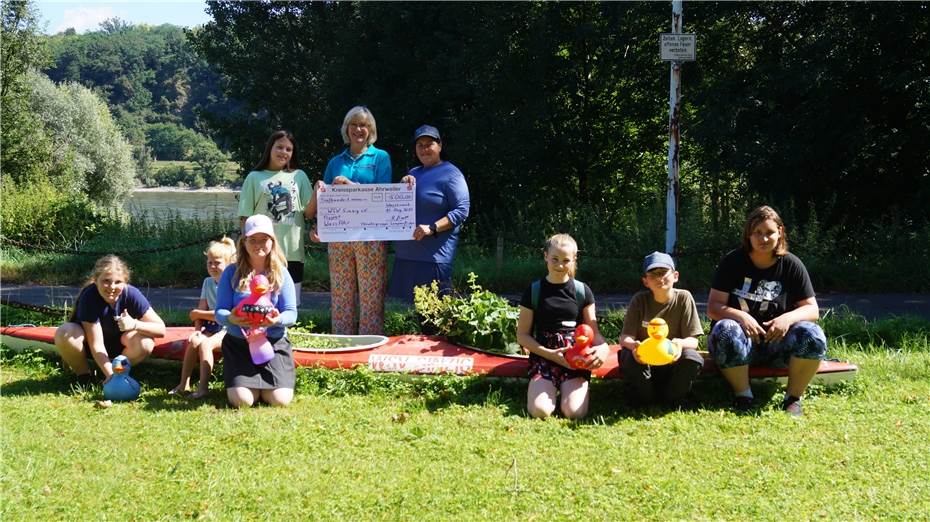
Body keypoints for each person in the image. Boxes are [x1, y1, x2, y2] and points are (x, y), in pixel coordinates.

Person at [707, 205, 827, 416]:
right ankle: (743, 396)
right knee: (726, 328)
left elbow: (812, 310)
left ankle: (793, 398)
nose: (763, 238)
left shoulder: (791, 265)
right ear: (749, 235)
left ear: (780, 232)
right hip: (739, 344)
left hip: (777, 345)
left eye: (769, 232)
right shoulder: (732, 262)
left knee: (813, 335)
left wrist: (787, 319)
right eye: (758, 233)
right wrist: (741, 316)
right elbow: (713, 308)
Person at [305, 106, 392, 334]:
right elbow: (325, 201)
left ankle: (369, 344)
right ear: (347, 128)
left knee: (371, 295)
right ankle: (341, 343)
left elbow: (384, 197)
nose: (358, 129)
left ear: (371, 129)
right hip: (339, 238)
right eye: (353, 124)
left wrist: (353, 188)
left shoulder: (381, 158)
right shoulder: (335, 162)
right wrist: (318, 226)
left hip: (370, 237)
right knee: (341, 294)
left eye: (363, 124)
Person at [516, 234, 610, 419]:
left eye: (566, 260)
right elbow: (522, 335)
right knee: (539, 411)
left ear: (574, 259)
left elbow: (595, 334)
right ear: (545, 256)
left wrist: (603, 349)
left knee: (575, 412)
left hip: (576, 359)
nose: (560, 265)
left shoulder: (583, 291)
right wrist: (549, 354)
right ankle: (546, 389)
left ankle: (568, 391)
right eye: (555, 259)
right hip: (543, 356)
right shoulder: (534, 291)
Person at [215, 214, 298, 408]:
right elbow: (220, 312)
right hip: (239, 344)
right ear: (244, 242)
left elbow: (291, 314)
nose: (258, 244)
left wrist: (275, 321)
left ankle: (266, 386)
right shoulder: (231, 273)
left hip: (274, 344)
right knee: (242, 401)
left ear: (272, 242)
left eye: (264, 239)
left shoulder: (281, 273)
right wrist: (233, 319)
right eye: (252, 240)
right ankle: (248, 385)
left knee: (280, 401)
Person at [53, 255, 166, 387]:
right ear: (95, 280)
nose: (112, 287)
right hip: (91, 347)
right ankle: (85, 377)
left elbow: (161, 329)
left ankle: (119, 373)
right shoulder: (89, 297)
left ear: (125, 282)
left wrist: (134, 324)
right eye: (106, 281)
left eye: (118, 282)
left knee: (146, 342)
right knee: (65, 332)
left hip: (120, 349)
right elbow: (97, 344)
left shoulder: (132, 294)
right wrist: (110, 375)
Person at [388, 124, 470, 303]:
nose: (425, 149)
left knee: (433, 321)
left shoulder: (451, 174)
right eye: (420, 145)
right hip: (405, 258)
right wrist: (401, 186)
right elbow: (396, 207)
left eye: (429, 144)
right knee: (405, 322)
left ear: (439, 146)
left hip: (433, 261)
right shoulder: (413, 173)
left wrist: (432, 228)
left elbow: (462, 210)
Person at [618, 252, 704, 407]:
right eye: (653, 274)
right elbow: (625, 338)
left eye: (664, 272)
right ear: (645, 281)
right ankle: (645, 398)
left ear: (675, 276)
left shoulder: (684, 298)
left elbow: (693, 341)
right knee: (628, 355)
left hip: (672, 361)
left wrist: (679, 344)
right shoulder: (639, 300)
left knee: (692, 357)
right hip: (645, 361)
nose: (659, 278)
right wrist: (635, 346)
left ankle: (673, 398)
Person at [237, 130, 313, 305]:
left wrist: (318, 190)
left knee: (290, 304)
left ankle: (286, 333)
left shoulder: (299, 176)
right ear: (270, 148)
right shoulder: (254, 177)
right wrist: (244, 250)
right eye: (279, 147)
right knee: (260, 300)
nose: (283, 152)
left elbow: (308, 213)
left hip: (292, 252)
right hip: (262, 251)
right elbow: (245, 218)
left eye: (288, 149)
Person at [169, 237, 237, 398]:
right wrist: (198, 330)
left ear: (228, 264)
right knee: (194, 341)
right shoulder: (207, 283)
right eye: (209, 262)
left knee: (205, 345)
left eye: (217, 263)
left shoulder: (232, 283)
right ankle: (183, 384)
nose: (213, 266)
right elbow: (200, 311)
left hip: (228, 328)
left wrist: (199, 314)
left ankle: (203, 387)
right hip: (212, 328)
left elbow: (225, 314)